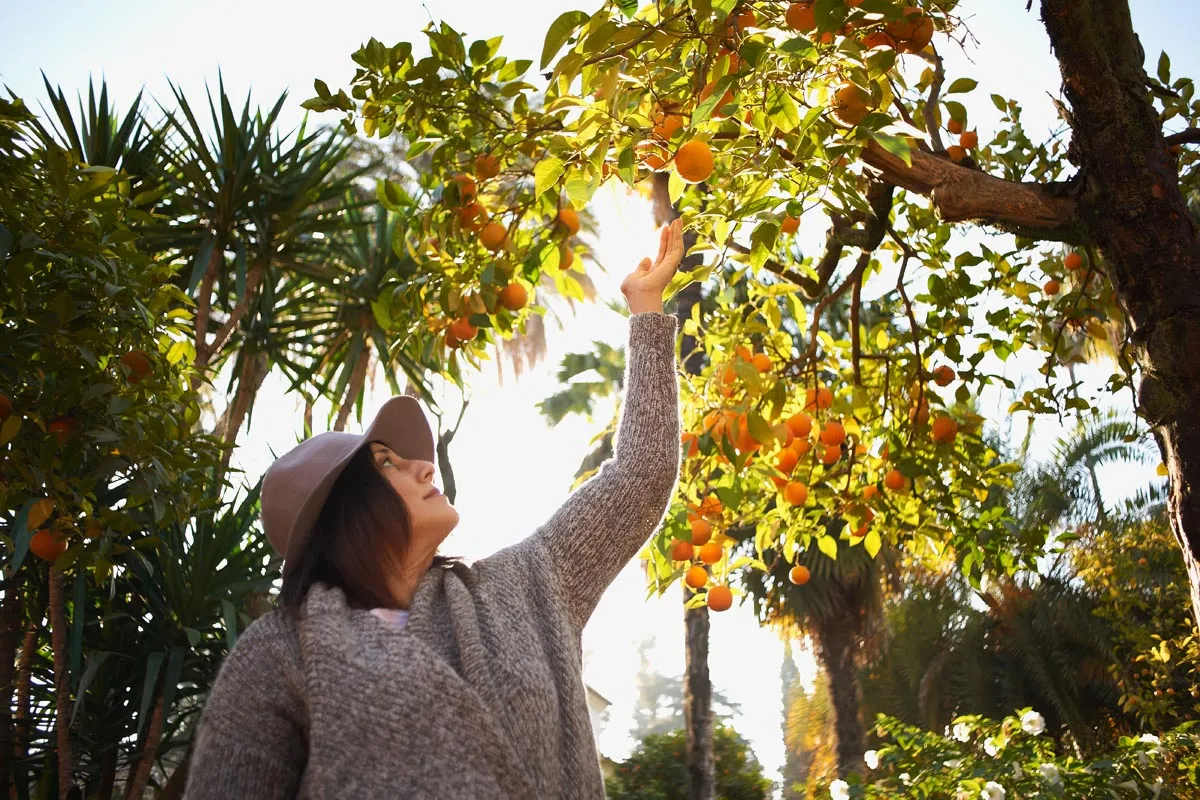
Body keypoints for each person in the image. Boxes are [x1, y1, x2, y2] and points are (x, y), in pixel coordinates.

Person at [184, 218, 686, 799]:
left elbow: (639, 479)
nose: (424, 466)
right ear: (344, 515)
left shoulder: (529, 584)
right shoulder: (283, 652)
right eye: (387, 465)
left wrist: (646, 310)